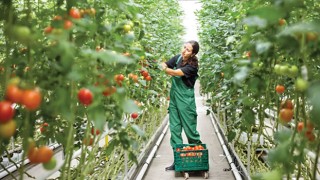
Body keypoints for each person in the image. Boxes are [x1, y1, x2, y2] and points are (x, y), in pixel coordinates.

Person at [161, 40, 202, 171]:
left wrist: (164, 68)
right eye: (184, 47)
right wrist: (164, 65)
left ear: (193, 53)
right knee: (175, 130)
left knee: (190, 131)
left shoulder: (192, 66)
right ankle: (178, 161)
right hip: (174, 100)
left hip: (185, 102)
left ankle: (198, 159)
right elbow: (166, 63)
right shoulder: (178, 58)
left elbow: (174, 72)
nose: (184, 51)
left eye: (188, 50)